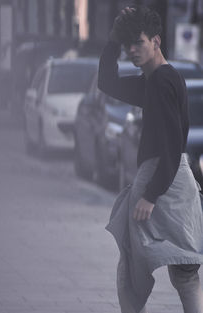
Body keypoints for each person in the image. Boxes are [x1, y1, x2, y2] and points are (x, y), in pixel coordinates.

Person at [98, 6, 203, 313]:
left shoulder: (160, 81)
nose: (132, 49)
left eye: (138, 42)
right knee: (185, 273)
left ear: (156, 41)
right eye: (127, 43)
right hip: (175, 179)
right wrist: (114, 39)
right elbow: (107, 82)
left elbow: (172, 141)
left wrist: (150, 194)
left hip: (162, 178)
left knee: (132, 269)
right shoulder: (156, 80)